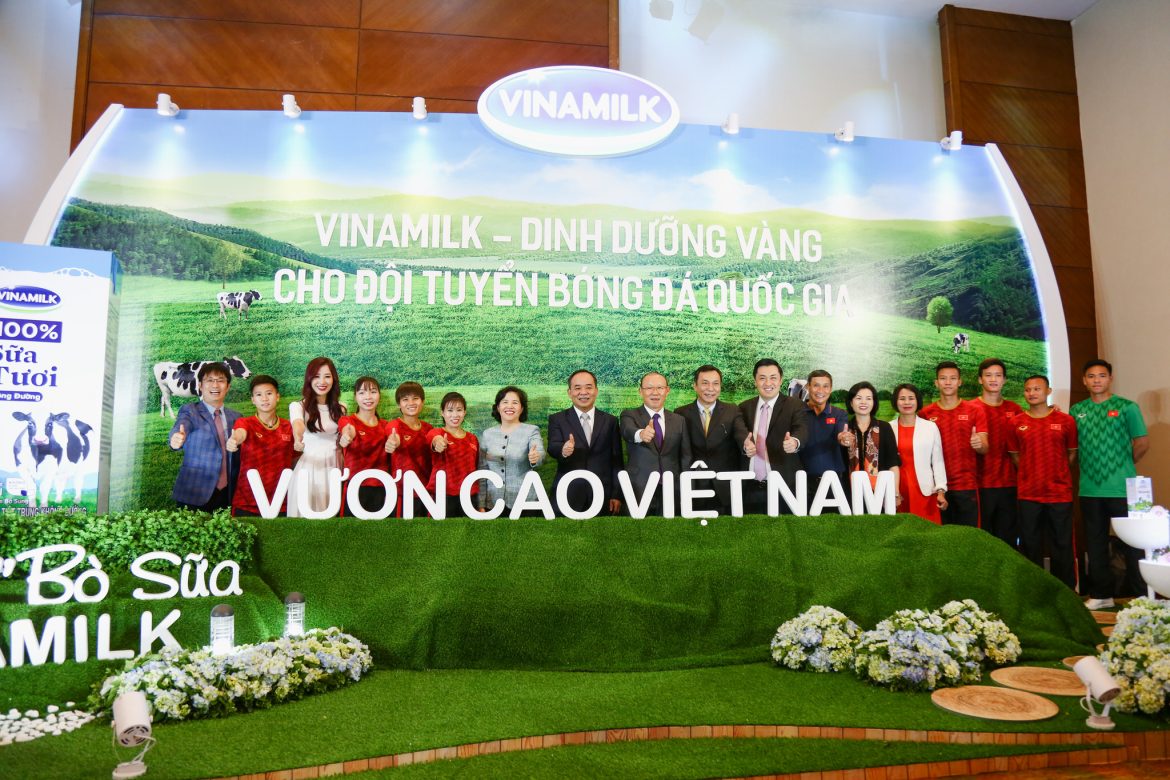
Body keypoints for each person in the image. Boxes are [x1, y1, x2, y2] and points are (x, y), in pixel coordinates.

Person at [1072, 359, 1150, 609]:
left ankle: (1141, 597)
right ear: (1084, 381)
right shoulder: (1076, 411)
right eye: (1091, 376)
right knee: (1095, 543)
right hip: (1089, 489)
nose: (1097, 380)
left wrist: (1123, 464)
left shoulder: (1127, 407)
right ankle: (1101, 594)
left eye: (1102, 375)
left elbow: (1142, 443)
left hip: (1123, 488)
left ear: (1110, 379)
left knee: (1133, 543)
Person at [1008, 375, 1078, 589]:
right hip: (1028, 494)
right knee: (1029, 545)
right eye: (1028, 389)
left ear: (1048, 391)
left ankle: (1065, 592)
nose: (1032, 393)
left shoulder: (1066, 421)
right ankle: (1034, 591)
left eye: (1037, 389)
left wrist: (1056, 472)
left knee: (1062, 544)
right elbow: (1016, 457)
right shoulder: (1016, 422)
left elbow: (1071, 454)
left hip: (1059, 493)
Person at [920, 361, 988, 526]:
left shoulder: (974, 410)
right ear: (936, 383)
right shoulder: (925, 413)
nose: (948, 382)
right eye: (943, 378)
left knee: (968, 535)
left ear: (960, 382)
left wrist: (979, 444)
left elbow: (985, 447)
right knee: (940, 535)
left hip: (966, 485)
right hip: (936, 487)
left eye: (953, 378)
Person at [548, 369, 623, 516]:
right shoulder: (557, 419)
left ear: (596, 391)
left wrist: (616, 494)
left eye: (588, 387)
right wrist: (563, 449)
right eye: (577, 388)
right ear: (569, 392)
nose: (583, 392)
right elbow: (552, 446)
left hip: (603, 494)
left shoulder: (610, 421)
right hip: (568, 492)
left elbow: (617, 461)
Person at [168, 361, 241, 511]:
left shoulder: (237, 417)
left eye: (221, 380)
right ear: (200, 385)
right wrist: (175, 439)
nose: (215, 385)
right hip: (195, 490)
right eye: (210, 380)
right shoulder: (190, 410)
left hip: (229, 493)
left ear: (228, 387)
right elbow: (181, 425)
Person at [674, 365, 748, 513]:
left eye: (715, 383)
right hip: (693, 485)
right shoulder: (681, 413)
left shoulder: (732, 410)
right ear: (695, 386)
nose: (710, 388)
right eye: (705, 383)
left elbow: (741, 434)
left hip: (725, 485)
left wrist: (746, 446)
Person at [738, 359, 808, 514]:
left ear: (781, 380)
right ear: (755, 381)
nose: (768, 383)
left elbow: (802, 429)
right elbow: (739, 436)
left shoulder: (795, 405)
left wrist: (795, 442)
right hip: (749, 487)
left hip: (784, 486)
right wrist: (744, 445)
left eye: (773, 378)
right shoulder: (744, 407)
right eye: (762, 378)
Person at [619, 371, 691, 515]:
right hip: (639, 488)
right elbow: (627, 430)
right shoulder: (629, 414)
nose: (655, 392)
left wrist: (685, 488)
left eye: (660, 388)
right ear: (640, 391)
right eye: (649, 388)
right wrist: (641, 434)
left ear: (667, 390)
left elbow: (685, 456)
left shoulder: (679, 420)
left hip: (671, 489)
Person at [226, 374, 294, 517]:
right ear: (253, 400)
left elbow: (296, 457)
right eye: (258, 395)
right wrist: (234, 440)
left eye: (269, 393)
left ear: (277, 396)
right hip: (247, 501)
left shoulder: (288, 426)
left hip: (282, 502)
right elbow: (240, 433)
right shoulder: (245, 423)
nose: (264, 399)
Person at [288, 356, 346, 517]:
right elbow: (298, 424)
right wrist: (298, 438)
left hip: (336, 466)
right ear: (309, 379)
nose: (322, 381)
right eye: (316, 376)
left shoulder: (342, 408)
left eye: (327, 376)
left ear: (334, 379)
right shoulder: (298, 406)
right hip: (311, 467)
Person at [975, 358, 1023, 547]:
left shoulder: (1015, 409)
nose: (993, 379)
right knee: (982, 540)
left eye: (998, 375)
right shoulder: (971, 408)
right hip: (980, 484)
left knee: (1008, 539)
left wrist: (1051, 409)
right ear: (980, 379)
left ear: (1004, 380)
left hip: (1009, 484)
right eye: (988, 375)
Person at [479, 385, 546, 515]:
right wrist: (481, 503)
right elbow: (483, 470)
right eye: (505, 402)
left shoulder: (531, 430)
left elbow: (539, 453)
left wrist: (536, 457)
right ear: (498, 407)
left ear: (522, 408)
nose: (509, 406)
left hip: (525, 501)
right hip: (493, 502)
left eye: (515, 403)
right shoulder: (487, 434)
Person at [890, 383, 947, 524]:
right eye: (902, 398)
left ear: (917, 401)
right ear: (896, 402)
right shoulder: (888, 427)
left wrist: (941, 490)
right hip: (897, 491)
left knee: (928, 531)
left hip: (925, 490)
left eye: (911, 398)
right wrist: (892, 492)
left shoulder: (930, 427)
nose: (907, 402)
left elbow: (938, 462)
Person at [337, 376, 393, 515]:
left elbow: (394, 440)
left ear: (379, 395)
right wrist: (346, 437)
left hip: (382, 488)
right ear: (355, 397)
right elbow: (347, 429)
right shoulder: (348, 420)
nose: (368, 397)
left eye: (373, 392)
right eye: (362, 392)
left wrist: (393, 443)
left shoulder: (386, 426)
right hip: (354, 487)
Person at [840, 381, 900, 505]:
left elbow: (893, 464)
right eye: (858, 398)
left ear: (874, 402)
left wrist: (895, 493)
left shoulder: (884, 427)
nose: (863, 402)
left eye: (868, 398)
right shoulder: (844, 429)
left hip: (881, 494)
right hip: (848, 494)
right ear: (851, 402)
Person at [798, 369, 849, 503]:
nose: (821, 390)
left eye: (825, 386)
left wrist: (843, 438)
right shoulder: (797, 412)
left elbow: (841, 433)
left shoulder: (839, 414)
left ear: (830, 389)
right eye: (816, 385)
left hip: (834, 483)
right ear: (808, 387)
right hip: (802, 483)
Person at [427, 392, 479, 518]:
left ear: (464, 412)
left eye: (459, 410)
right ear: (442, 413)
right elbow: (434, 439)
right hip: (444, 496)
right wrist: (438, 443)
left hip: (469, 496)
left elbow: (477, 467)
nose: (455, 415)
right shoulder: (436, 432)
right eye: (450, 410)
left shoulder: (472, 438)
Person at [386, 381, 434, 517]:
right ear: (399, 404)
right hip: (402, 492)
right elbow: (393, 437)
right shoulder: (394, 425)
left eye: (415, 398)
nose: (411, 403)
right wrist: (393, 442)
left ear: (422, 402)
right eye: (405, 399)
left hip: (425, 492)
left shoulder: (428, 428)